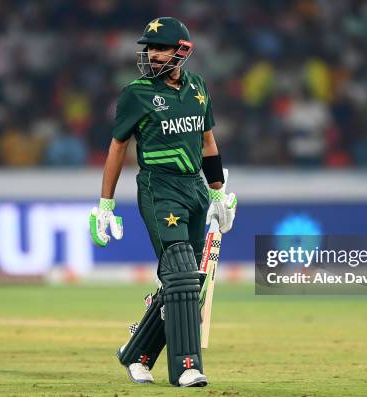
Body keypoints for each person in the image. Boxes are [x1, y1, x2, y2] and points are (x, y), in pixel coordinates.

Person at [89, 17, 237, 387]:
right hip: (159, 186)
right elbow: (117, 147)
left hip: (194, 188)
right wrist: (105, 205)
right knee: (182, 274)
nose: (152, 55)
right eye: (149, 48)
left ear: (182, 51)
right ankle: (187, 366)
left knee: (186, 281)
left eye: (160, 48)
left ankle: (136, 353)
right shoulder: (136, 93)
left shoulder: (198, 88)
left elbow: (207, 143)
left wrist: (217, 191)